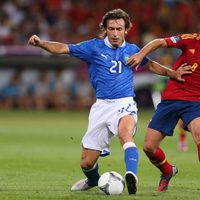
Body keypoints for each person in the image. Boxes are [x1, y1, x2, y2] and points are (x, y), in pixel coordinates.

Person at [28, 9, 190, 195]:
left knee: (125, 133)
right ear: (105, 29)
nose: (115, 33)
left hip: (125, 103)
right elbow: (63, 48)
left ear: (126, 30)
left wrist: (172, 73)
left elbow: (151, 65)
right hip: (101, 106)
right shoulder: (93, 47)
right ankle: (93, 180)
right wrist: (41, 43)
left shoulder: (132, 50)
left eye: (119, 29)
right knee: (87, 162)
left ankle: (131, 176)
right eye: (111, 28)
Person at [126, 33, 200, 192]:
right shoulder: (190, 40)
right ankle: (167, 171)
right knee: (149, 147)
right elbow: (159, 42)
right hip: (171, 98)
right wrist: (141, 54)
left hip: (195, 101)